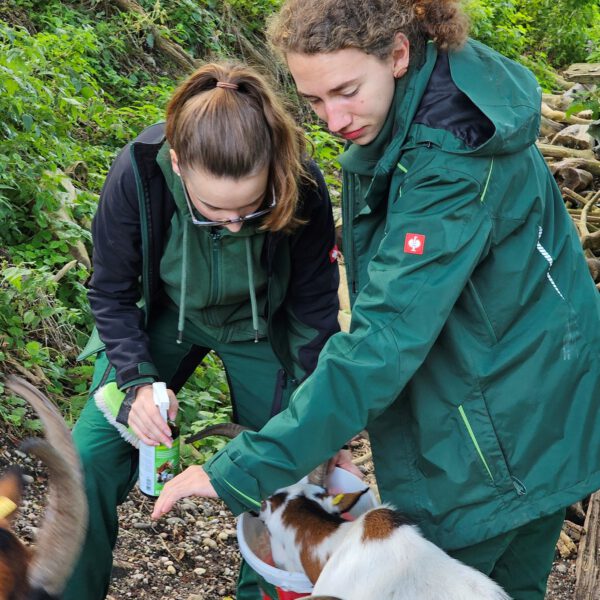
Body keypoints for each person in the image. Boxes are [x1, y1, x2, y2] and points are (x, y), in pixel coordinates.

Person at [153, 1, 600, 598]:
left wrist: (243, 468)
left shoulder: (451, 161)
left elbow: (384, 339)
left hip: (491, 448)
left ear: (397, 53)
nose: (333, 119)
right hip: (535, 413)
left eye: (345, 91)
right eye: (313, 101)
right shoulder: (434, 98)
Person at [63, 62, 342, 600]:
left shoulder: (301, 182)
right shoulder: (140, 171)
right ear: (178, 164)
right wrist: (139, 383)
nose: (235, 225)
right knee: (88, 459)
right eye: (215, 211)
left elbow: (314, 312)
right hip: (165, 317)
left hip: (265, 328)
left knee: (291, 471)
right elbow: (111, 292)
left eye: (250, 210)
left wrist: (318, 422)